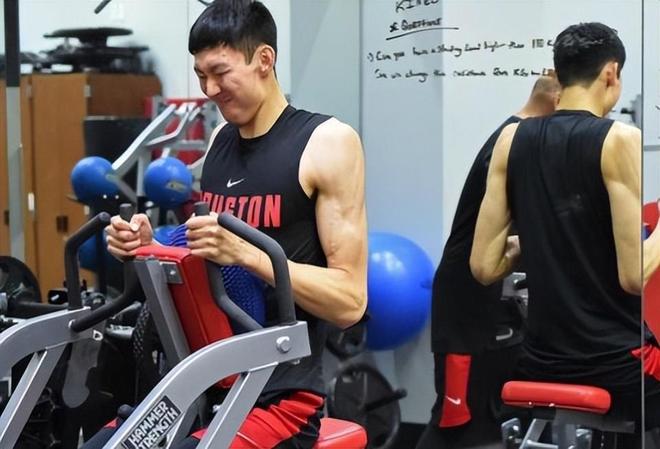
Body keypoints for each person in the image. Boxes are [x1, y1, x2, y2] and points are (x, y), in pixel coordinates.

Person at [92, 1, 368, 448]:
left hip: (280, 399)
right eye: (201, 75)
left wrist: (249, 255)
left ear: (264, 59)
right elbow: (206, 256)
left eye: (220, 72)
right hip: (204, 382)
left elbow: (350, 301)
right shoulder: (221, 140)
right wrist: (149, 244)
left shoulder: (327, 142)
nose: (209, 89)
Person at [471, 22, 660, 446]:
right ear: (611, 73)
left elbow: (483, 266)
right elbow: (634, 276)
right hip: (617, 365)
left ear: (559, 73)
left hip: (539, 362)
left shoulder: (511, 138)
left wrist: (545, 238)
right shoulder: (619, 138)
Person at [414, 74, 560, 449]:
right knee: (456, 425)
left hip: (498, 305)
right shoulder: (512, 143)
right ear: (557, 101)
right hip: (466, 306)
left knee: (499, 423)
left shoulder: (525, 139)